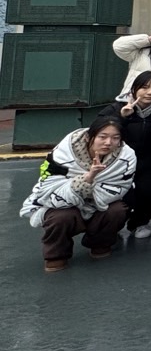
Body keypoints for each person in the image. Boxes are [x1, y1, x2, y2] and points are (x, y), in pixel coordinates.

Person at [20, 116, 136, 272]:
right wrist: (87, 178)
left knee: (117, 210)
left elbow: (119, 187)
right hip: (64, 204)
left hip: (98, 205)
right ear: (90, 136)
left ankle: (100, 244)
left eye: (115, 138)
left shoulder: (126, 157)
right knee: (60, 216)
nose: (108, 142)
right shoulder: (63, 154)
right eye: (102, 137)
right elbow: (47, 187)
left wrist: (92, 189)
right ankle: (56, 255)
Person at [100, 71, 151, 239]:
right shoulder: (117, 107)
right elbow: (99, 128)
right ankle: (112, 225)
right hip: (118, 162)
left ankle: (139, 222)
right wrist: (121, 117)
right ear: (134, 89)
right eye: (144, 87)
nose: (150, 92)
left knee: (148, 191)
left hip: (149, 161)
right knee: (119, 194)